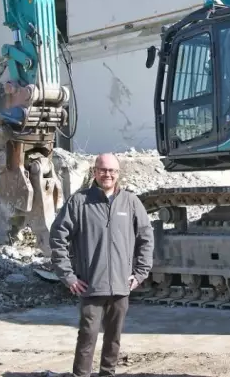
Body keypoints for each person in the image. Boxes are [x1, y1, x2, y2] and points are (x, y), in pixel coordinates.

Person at [49, 153, 155, 377]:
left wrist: (140, 273)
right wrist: (68, 276)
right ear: (95, 171)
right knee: (87, 336)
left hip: (120, 286)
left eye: (112, 171)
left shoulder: (130, 201)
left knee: (113, 338)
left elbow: (146, 237)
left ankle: (108, 373)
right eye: (103, 170)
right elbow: (58, 238)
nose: (108, 174)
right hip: (91, 285)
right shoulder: (79, 202)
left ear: (118, 173)